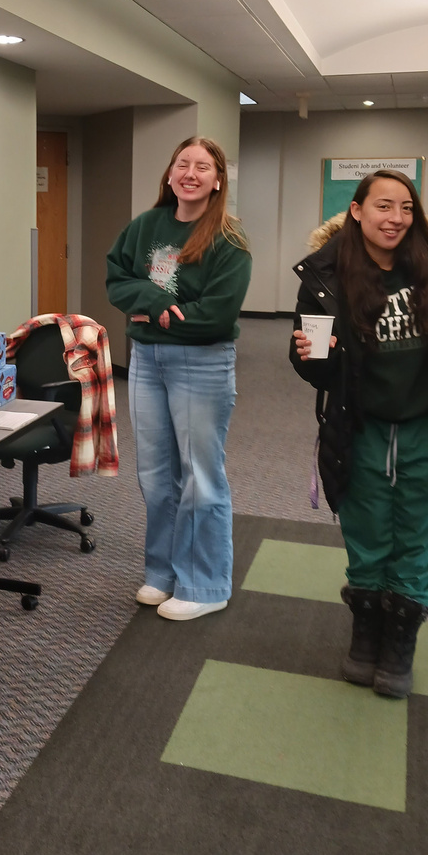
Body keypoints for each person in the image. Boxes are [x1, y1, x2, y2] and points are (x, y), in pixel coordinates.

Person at [290, 169, 428, 699]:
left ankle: (400, 641)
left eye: (406, 208)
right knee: (366, 536)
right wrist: (313, 359)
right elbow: (314, 368)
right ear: (357, 211)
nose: (395, 219)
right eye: (384, 207)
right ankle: (366, 632)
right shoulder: (325, 276)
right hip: (361, 429)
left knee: (415, 539)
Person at [106, 137, 251, 620]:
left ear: (216, 181)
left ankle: (206, 585)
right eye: (182, 163)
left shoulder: (228, 239)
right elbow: (117, 278)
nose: (190, 172)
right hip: (147, 361)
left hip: (201, 363)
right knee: (156, 474)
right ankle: (163, 573)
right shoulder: (146, 226)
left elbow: (218, 312)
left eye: (202, 166)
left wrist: (160, 316)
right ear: (170, 174)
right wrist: (151, 304)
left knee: (200, 477)